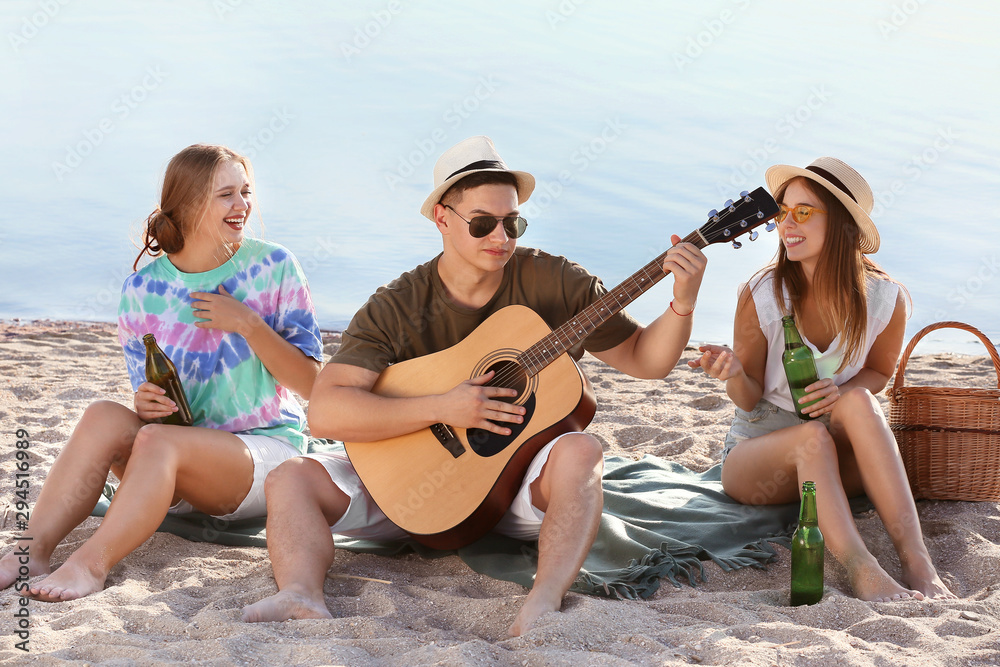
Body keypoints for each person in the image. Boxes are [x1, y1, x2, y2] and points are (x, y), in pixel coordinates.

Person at [241, 135, 708, 636]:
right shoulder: (397, 304)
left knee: (583, 450)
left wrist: (682, 302)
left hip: (511, 489)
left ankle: (544, 602)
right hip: (398, 484)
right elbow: (327, 412)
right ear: (442, 218)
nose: (502, 237)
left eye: (513, 223)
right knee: (289, 478)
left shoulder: (554, 280)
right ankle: (300, 594)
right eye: (483, 223)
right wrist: (445, 406)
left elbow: (644, 360)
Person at [0, 144, 323, 601]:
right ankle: (30, 551)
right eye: (226, 194)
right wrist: (144, 403)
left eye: (245, 192)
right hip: (172, 463)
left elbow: (312, 385)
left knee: (158, 440)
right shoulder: (142, 289)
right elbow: (151, 403)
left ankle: (90, 566)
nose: (243, 205)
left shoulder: (273, 267)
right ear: (189, 204)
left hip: (260, 456)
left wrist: (248, 324)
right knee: (102, 415)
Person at [689, 157, 955, 602]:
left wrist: (844, 391)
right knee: (810, 435)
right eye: (782, 212)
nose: (787, 224)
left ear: (844, 225)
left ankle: (917, 560)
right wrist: (733, 373)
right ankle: (861, 568)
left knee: (859, 403)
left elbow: (880, 374)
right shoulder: (763, 294)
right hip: (758, 460)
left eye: (804, 212)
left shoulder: (885, 298)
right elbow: (749, 398)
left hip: (837, 458)